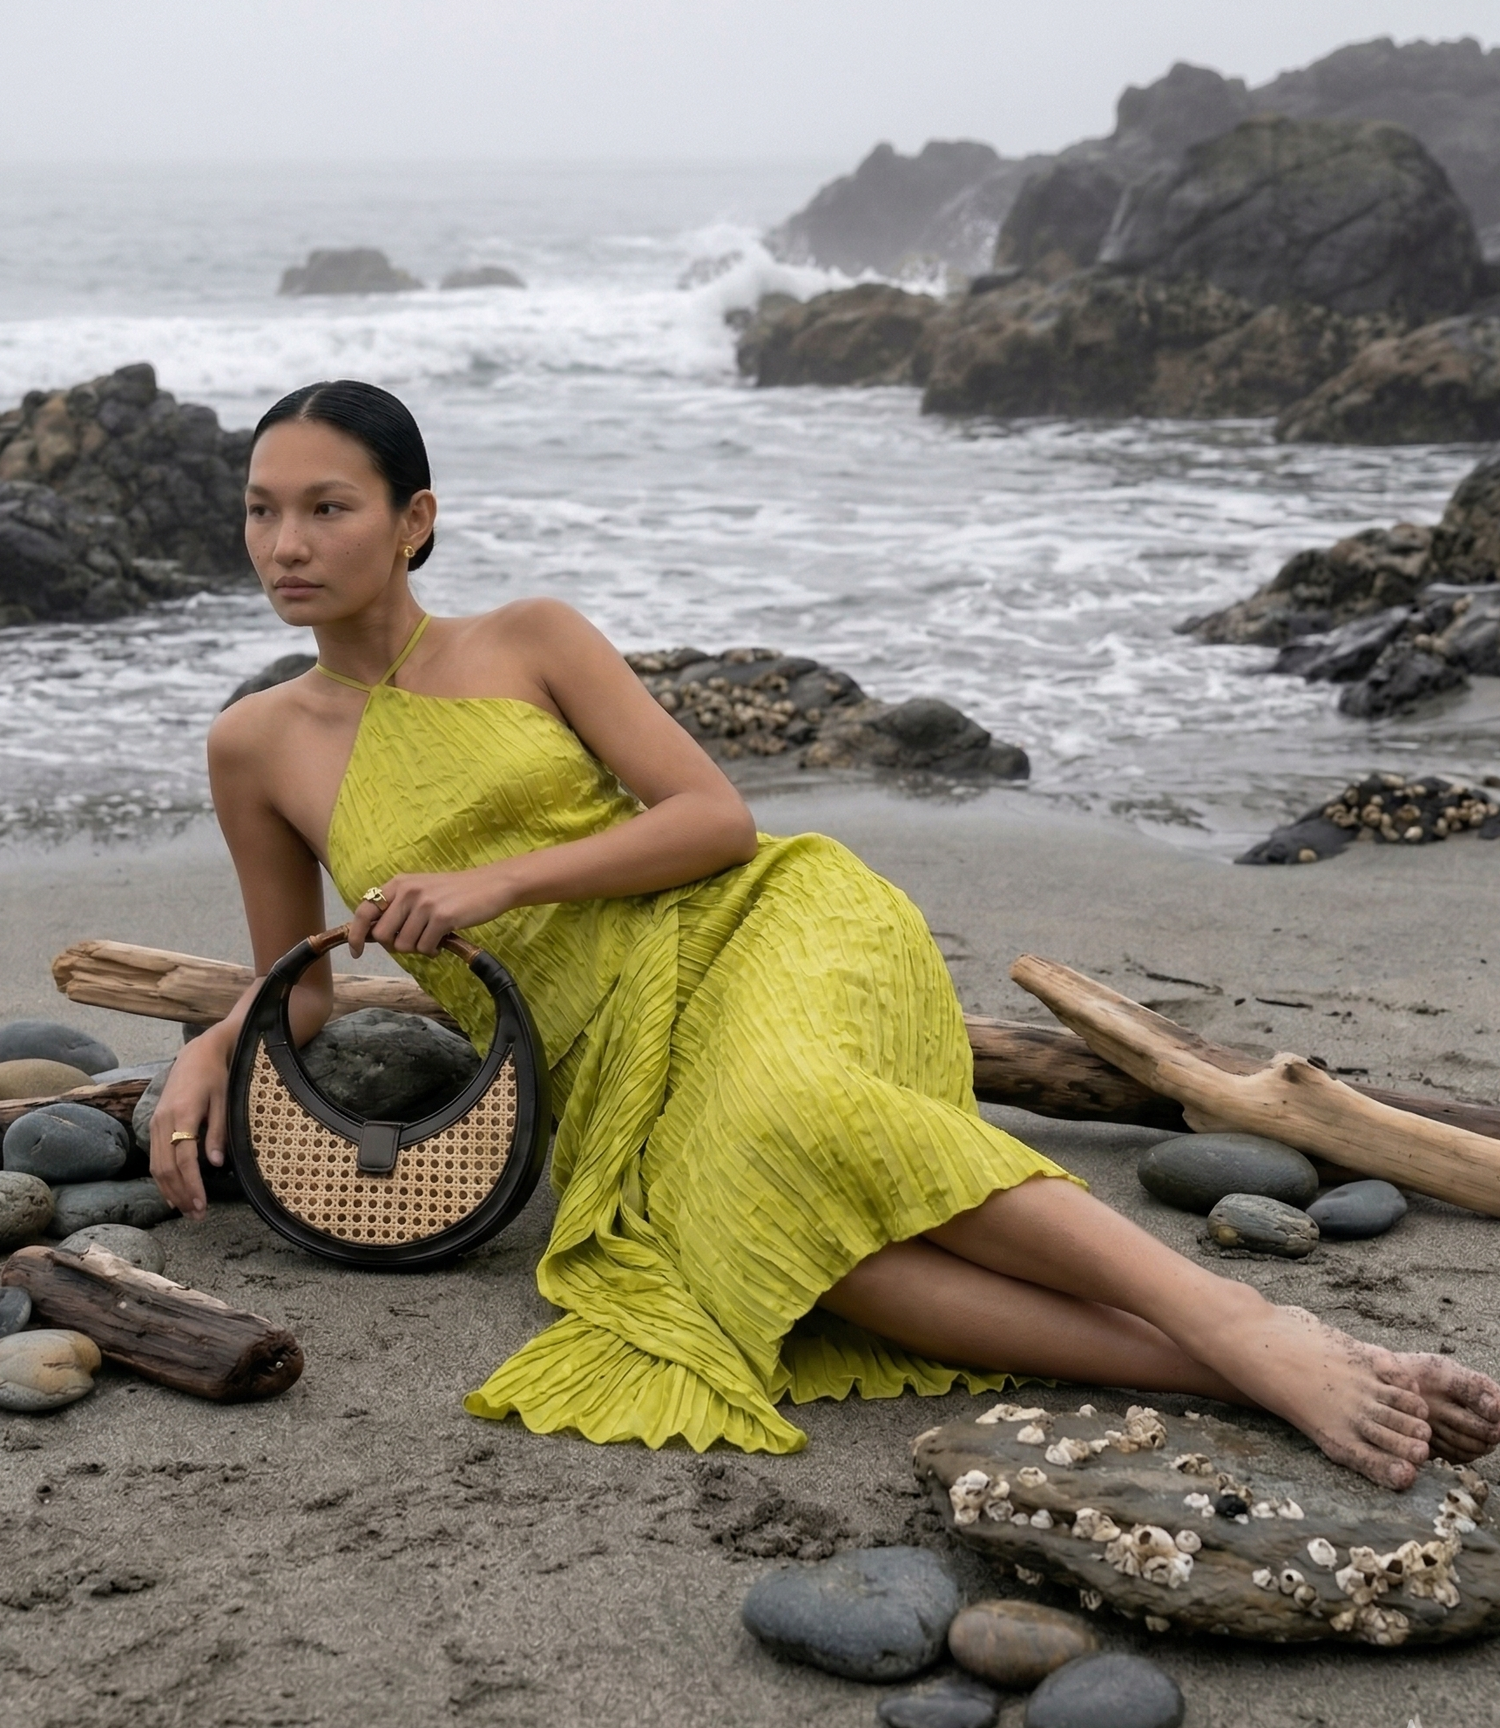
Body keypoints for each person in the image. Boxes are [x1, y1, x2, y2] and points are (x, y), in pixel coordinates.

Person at [152, 379, 1500, 1484]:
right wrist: (220, 1044)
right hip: (612, 1054)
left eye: (327, 507)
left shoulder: (530, 638)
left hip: (753, 925)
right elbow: (302, 987)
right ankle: (1229, 1367)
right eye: (263, 510)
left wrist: (494, 885)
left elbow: (714, 819)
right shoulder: (255, 746)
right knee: (777, 1243)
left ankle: (1238, 1316)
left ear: (413, 520)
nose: (287, 544)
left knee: (801, 1114)